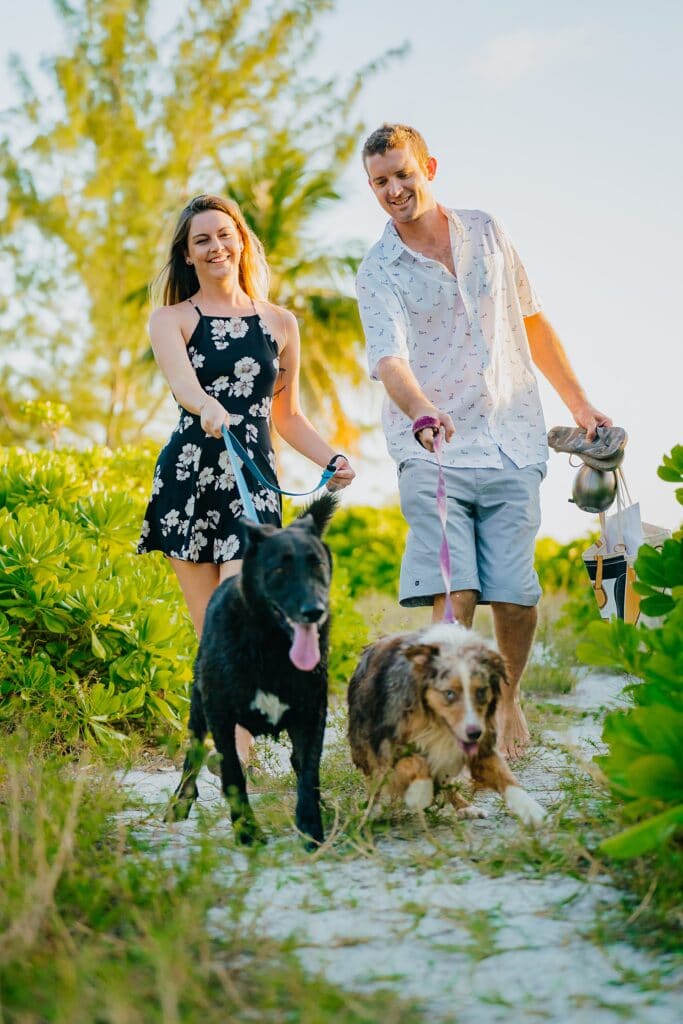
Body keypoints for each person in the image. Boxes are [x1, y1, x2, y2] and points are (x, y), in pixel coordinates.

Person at [355, 124, 611, 759]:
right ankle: (447, 731)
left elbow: (533, 319)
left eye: (402, 174)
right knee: (456, 592)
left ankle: (507, 701)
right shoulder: (377, 270)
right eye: (380, 182)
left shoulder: (488, 232)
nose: (394, 189)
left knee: (517, 593)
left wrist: (579, 404)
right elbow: (389, 360)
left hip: (512, 437)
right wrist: (419, 410)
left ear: (429, 167)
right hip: (433, 449)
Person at [138, 193, 355, 765]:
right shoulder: (172, 319)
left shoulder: (279, 323)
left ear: (241, 240)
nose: (215, 247)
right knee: (212, 630)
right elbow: (184, 386)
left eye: (223, 235)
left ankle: (253, 742)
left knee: (251, 614)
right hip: (189, 479)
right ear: (187, 255)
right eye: (201, 240)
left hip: (252, 484)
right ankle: (229, 756)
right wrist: (206, 406)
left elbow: (287, 416)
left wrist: (331, 459)